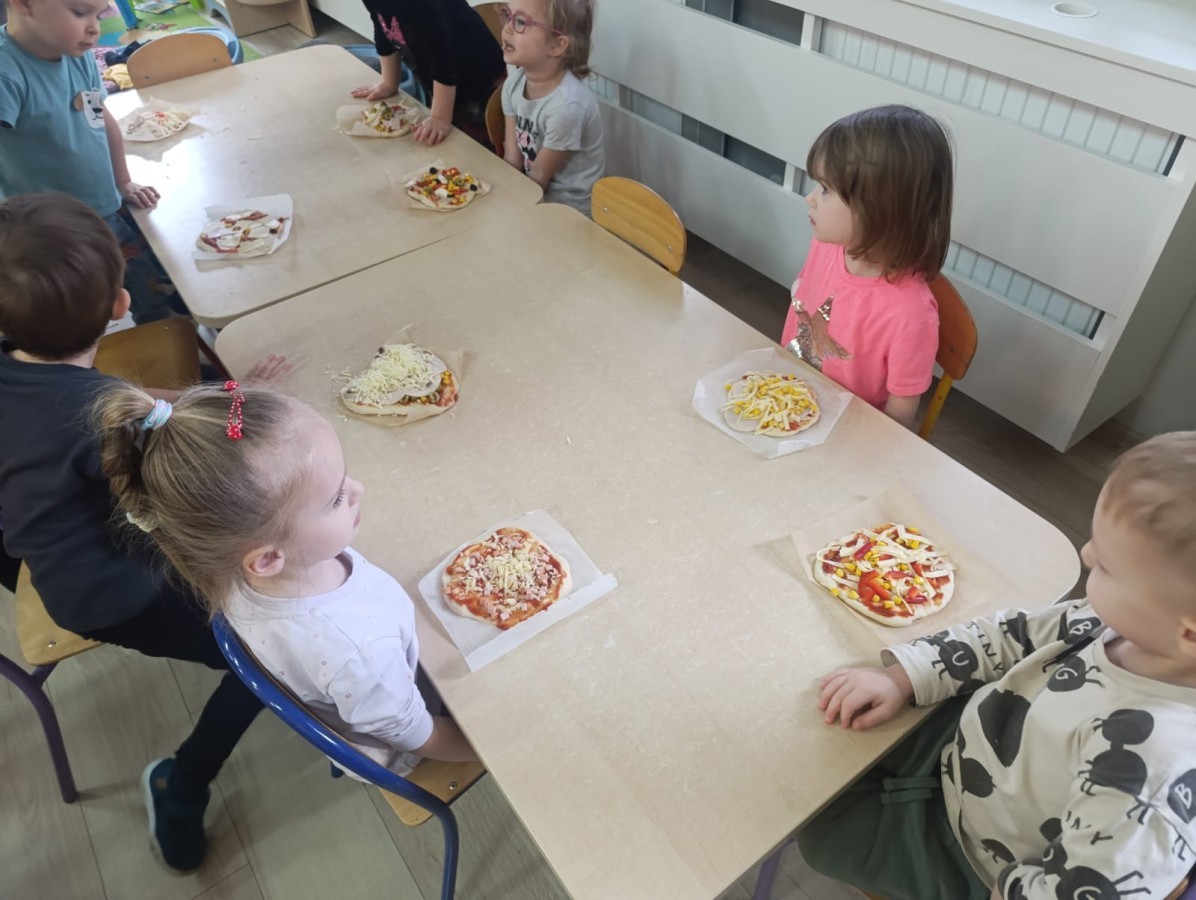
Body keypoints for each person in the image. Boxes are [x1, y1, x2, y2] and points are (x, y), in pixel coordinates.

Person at [0, 192, 281, 872]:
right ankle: (182, 783)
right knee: (271, 657)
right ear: (120, 304)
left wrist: (211, 397)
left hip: (46, 556)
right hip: (114, 594)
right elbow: (202, 460)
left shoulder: (41, 377)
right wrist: (242, 402)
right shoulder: (102, 414)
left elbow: (139, 409)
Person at [799, 431, 1196, 900]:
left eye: (1107, 566)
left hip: (978, 857)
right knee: (814, 758)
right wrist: (903, 677)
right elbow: (1011, 634)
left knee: (819, 832)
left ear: (1190, 634)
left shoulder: (1152, 773)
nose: (1086, 555)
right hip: (970, 742)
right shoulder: (1121, 622)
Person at [92, 381, 478, 778]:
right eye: (335, 498)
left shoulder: (233, 573)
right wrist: (487, 752)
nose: (358, 489)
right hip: (417, 728)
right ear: (268, 559)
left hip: (388, 672)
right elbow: (418, 736)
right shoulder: (356, 653)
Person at [0, 0, 178, 323]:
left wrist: (123, 181)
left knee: (148, 277)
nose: (95, 28)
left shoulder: (77, 56)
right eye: (80, 13)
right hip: (52, 232)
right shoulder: (6, 72)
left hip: (105, 204)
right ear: (24, 4)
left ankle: (167, 325)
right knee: (84, 306)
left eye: (100, 14)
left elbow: (102, 122)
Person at [781, 104, 953, 428]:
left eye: (826, 189)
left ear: (880, 209)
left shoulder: (910, 314)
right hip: (787, 394)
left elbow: (900, 413)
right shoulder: (826, 244)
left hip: (844, 431)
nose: (811, 198)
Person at [350, 0, 504, 147]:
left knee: (471, 146)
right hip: (444, 81)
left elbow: (442, 53)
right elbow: (382, 25)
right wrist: (388, 83)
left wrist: (440, 117)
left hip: (481, 81)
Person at [500, 0, 604, 217]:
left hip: (570, 214)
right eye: (507, 15)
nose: (507, 28)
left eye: (521, 22)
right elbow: (512, 160)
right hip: (532, 194)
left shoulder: (567, 106)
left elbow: (538, 178)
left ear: (557, 46)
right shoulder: (513, 85)